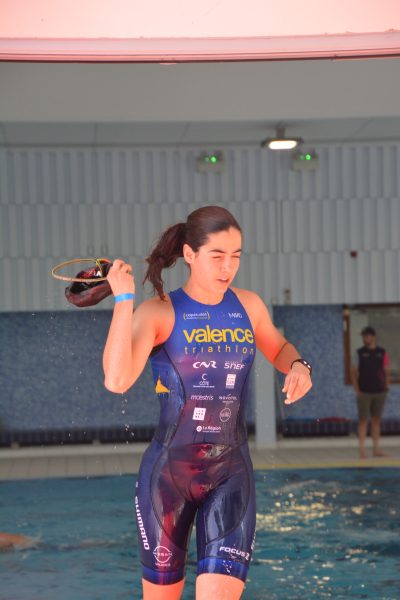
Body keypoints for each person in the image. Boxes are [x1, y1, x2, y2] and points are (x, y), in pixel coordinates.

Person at [103, 206, 312, 600]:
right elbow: (117, 380)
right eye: (217, 255)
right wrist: (123, 301)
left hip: (231, 473)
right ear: (189, 254)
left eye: (235, 256)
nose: (227, 266)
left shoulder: (248, 306)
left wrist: (299, 366)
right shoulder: (160, 311)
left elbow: (279, 347)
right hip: (167, 478)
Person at [351, 326, 390, 459]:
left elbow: (386, 370)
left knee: (376, 420)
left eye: (367, 336)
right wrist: (357, 390)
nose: (365, 338)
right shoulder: (359, 353)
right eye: (363, 336)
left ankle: (376, 449)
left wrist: (386, 386)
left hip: (379, 392)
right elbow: (353, 372)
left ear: (373, 337)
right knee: (363, 420)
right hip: (364, 392)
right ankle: (362, 449)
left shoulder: (382, 352)